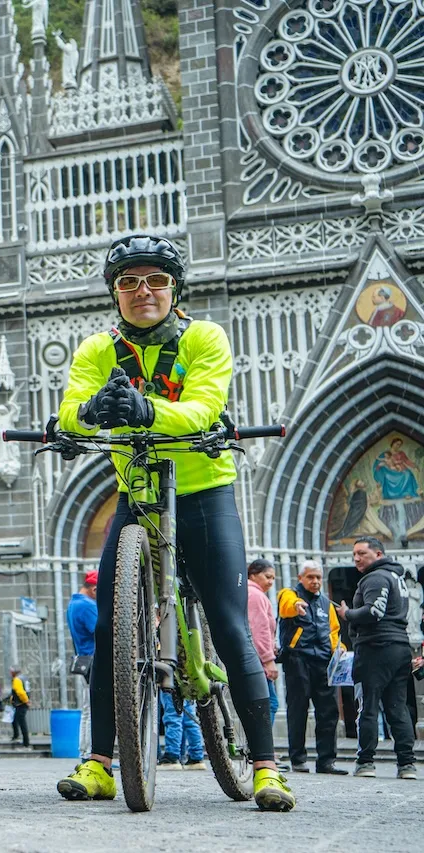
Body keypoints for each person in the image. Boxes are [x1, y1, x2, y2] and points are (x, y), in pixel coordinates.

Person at [53, 234, 293, 811]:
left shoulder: (205, 337)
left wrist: (146, 409)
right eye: (129, 282)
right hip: (136, 493)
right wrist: (87, 414)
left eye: (155, 280)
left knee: (230, 623)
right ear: (114, 294)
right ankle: (100, 764)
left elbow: (205, 406)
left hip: (203, 493)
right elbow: (68, 409)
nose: (143, 292)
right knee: (114, 625)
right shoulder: (97, 350)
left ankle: (265, 767)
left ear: (175, 288)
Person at [337, 536, 416, 779]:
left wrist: (347, 613)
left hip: (375, 649)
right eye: (354, 555)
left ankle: (365, 763)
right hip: (400, 648)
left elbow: (373, 611)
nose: (357, 559)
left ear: (378, 554)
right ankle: (407, 765)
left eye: (362, 553)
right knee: (397, 708)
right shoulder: (396, 578)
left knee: (368, 707)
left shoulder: (376, 578)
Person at [277, 559, 344, 774]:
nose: (315, 581)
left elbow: (333, 631)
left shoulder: (326, 602)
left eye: (318, 577)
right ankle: (298, 758)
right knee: (298, 710)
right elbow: (286, 607)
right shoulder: (289, 594)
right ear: (301, 578)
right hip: (298, 660)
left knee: (329, 711)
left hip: (324, 662)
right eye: (310, 577)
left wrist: (339, 647)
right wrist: (296, 606)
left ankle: (326, 761)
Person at [67, 571, 98, 761]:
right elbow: (100, 630)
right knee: (93, 709)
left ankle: (85, 751)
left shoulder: (73, 604)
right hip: (94, 658)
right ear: (94, 590)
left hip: (85, 658)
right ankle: (90, 753)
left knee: (88, 708)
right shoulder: (87, 606)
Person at [245, 559, 280, 729]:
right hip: (258, 660)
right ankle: (262, 749)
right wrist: (268, 660)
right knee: (270, 704)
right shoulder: (255, 595)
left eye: (273, 578)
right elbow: (259, 629)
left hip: (253, 657)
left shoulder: (249, 593)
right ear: (253, 575)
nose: (271, 582)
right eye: (267, 577)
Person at [157, 693, 205, 771]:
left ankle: (172, 756)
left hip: (171, 684)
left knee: (173, 717)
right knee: (190, 720)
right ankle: (197, 757)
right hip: (188, 684)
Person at [9, 666, 31, 747]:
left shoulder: (17, 679)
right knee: (15, 720)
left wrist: (26, 700)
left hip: (20, 704)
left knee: (22, 723)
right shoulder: (24, 678)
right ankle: (16, 736)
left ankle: (26, 743)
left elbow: (20, 692)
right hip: (22, 703)